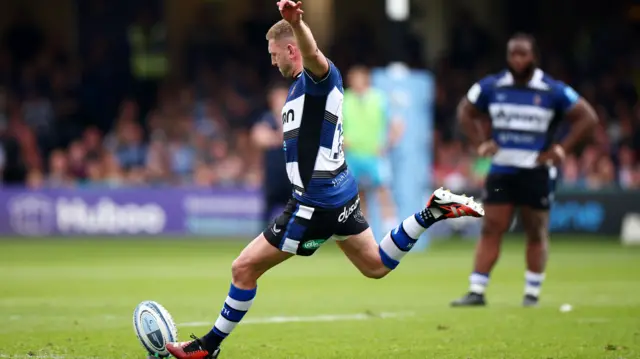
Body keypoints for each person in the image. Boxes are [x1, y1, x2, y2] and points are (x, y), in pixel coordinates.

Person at [166, 2, 484, 358]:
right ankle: (431, 212)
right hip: (338, 192)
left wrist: (297, 24)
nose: (273, 62)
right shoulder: (299, 90)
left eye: (275, 54)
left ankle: (207, 347)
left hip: (314, 203)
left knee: (243, 268)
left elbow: (314, 53)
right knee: (376, 266)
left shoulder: (320, 79)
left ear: (291, 49)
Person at [451, 33, 598, 308]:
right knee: (492, 226)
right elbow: (465, 111)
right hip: (501, 169)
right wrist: (480, 143)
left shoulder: (552, 89)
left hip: (536, 170)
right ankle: (476, 290)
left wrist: (562, 149)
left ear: (534, 57)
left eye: (523, 54)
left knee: (535, 230)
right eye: (513, 54)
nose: (518, 60)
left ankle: (531, 293)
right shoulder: (492, 86)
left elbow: (587, 117)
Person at [342, 65, 403, 234]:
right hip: (353, 154)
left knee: (383, 190)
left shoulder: (379, 98)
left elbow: (397, 124)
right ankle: (364, 231)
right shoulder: (345, 99)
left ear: (366, 80)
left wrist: (387, 143)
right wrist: (342, 141)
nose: (356, 83)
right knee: (358, 193)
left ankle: (392, 231)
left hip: (374, 154)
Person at [251, 84, 291, 228]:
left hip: (291, 175)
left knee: (295, 213)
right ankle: (260, 243)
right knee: (266, 212)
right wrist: (281, 137)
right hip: (272, 174)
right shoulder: (266, 118)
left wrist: (274, 137)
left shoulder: (295, 119)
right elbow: (258, 138)